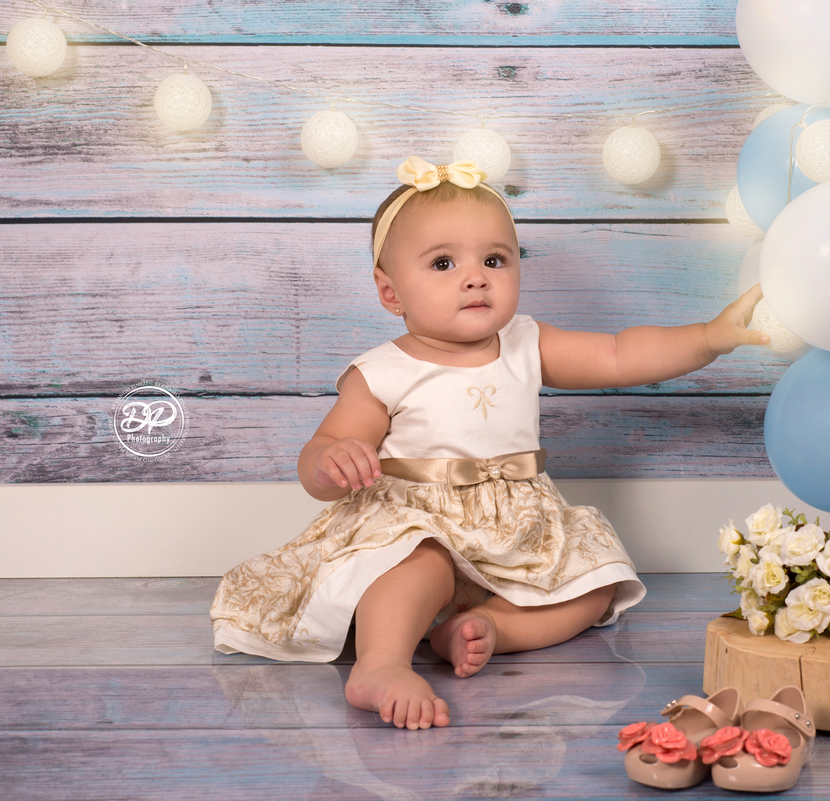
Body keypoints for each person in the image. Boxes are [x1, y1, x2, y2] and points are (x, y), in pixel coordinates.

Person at [210, 156, 769, 732]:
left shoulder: (527, 342)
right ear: (389, 291)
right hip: (418, 523)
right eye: (444, 262)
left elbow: (620, 354)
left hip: (519, 533)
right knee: (417, 565)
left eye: (495, 259)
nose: (475, 276)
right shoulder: (382, 371)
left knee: (597, 582)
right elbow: (325, 447)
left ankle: (493, 628)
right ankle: (382, 663)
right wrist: (330, 461)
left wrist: (708, 338)